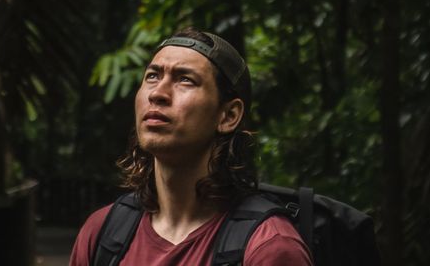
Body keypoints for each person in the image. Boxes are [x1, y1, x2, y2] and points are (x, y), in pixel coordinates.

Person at [70, 29, 313, 265]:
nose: (158, 93)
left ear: (228, 115)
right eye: (152, 76)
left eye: (185, 80)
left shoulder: (269, 248)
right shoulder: (103, 233)